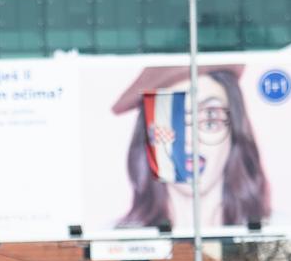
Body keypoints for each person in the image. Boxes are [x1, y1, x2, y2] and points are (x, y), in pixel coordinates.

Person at [113, 66, 272, 230]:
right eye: (172, 120)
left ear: (235, 132)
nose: (190, 140)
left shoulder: (276, 230)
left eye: (210, 121)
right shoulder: (115, 238)